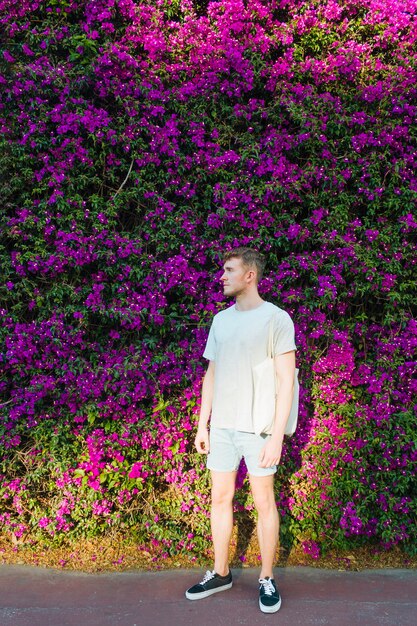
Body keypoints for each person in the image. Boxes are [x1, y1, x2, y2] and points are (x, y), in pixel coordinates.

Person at [185, 247, 296, 614]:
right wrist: (203, 424)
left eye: (229, 270)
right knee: (220, 498)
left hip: (259, 429)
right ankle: (220, 572)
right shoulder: (221, 320)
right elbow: (211, 374)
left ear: (250, 275)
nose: (222, 276)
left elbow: (286, 382)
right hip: (223, 429)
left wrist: (277, 436)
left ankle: (266, 577)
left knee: (264, 502)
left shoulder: (277, 319)